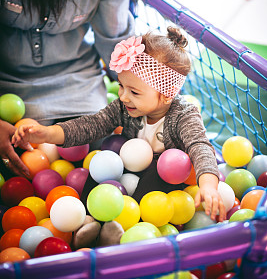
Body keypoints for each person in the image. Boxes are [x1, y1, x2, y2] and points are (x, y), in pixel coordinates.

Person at [13, 27, 226, 237]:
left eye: (134, 91)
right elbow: (93, 124)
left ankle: (131, 228)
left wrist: (208, 185)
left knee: (160, 170)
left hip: (159, 177)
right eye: (121, 86)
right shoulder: (125, 107)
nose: (123, 96)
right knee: (102, 160)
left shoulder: (184, 116)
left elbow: (200, 146)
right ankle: (89, 220)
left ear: (166, 94)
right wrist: (47, 134)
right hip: (124, 167)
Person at [0, 0, 143, 178]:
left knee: (109, 158)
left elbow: (118, 45)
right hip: (6, 89)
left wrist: (150, 96)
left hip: (75, 85)